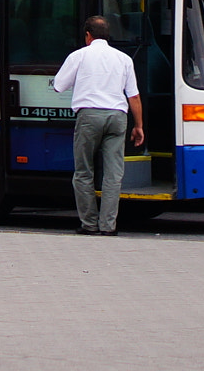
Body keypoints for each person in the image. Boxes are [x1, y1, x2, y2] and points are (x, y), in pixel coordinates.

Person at [52, 15, 144, 236]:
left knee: (84, 172)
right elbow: (134, 96)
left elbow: (58, 85)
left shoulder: (79, 56)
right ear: (107, 35)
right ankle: (108, 226)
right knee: (113, 174)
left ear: (88, 35)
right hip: (117, 117)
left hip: (89, 116)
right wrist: (138, 126)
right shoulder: (124, 59)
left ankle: (89, 224)